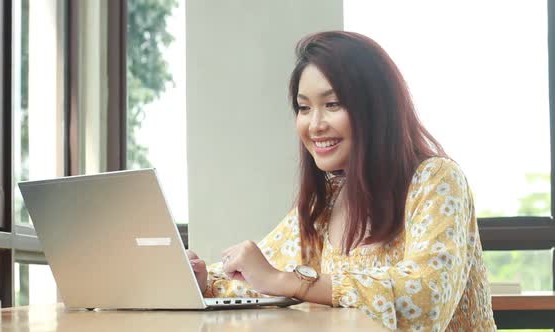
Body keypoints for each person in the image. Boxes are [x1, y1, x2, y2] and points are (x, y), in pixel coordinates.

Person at [187, 31, 496, 331]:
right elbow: (261, 281)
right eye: (304, 108)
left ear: (376, 108)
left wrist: (290, 281)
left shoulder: (436, 179)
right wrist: (200, 279)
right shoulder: (327, 200)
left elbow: (425, 300)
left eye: (332, 104)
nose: (315, 125)